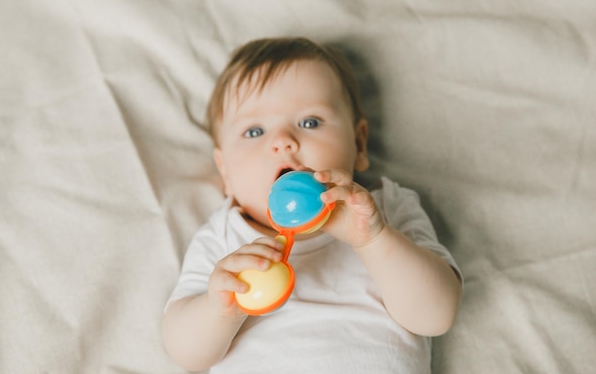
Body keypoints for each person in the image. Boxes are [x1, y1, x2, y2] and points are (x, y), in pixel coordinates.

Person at [162, 37, 462, 374]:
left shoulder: (385, 209)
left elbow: (436, 316)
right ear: (225, 171)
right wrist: (219, 308)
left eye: (310, 122)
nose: (282, 142)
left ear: (359, 144)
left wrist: (373, 240)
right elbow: (184, 352)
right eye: (254, 131)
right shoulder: (223, 237)